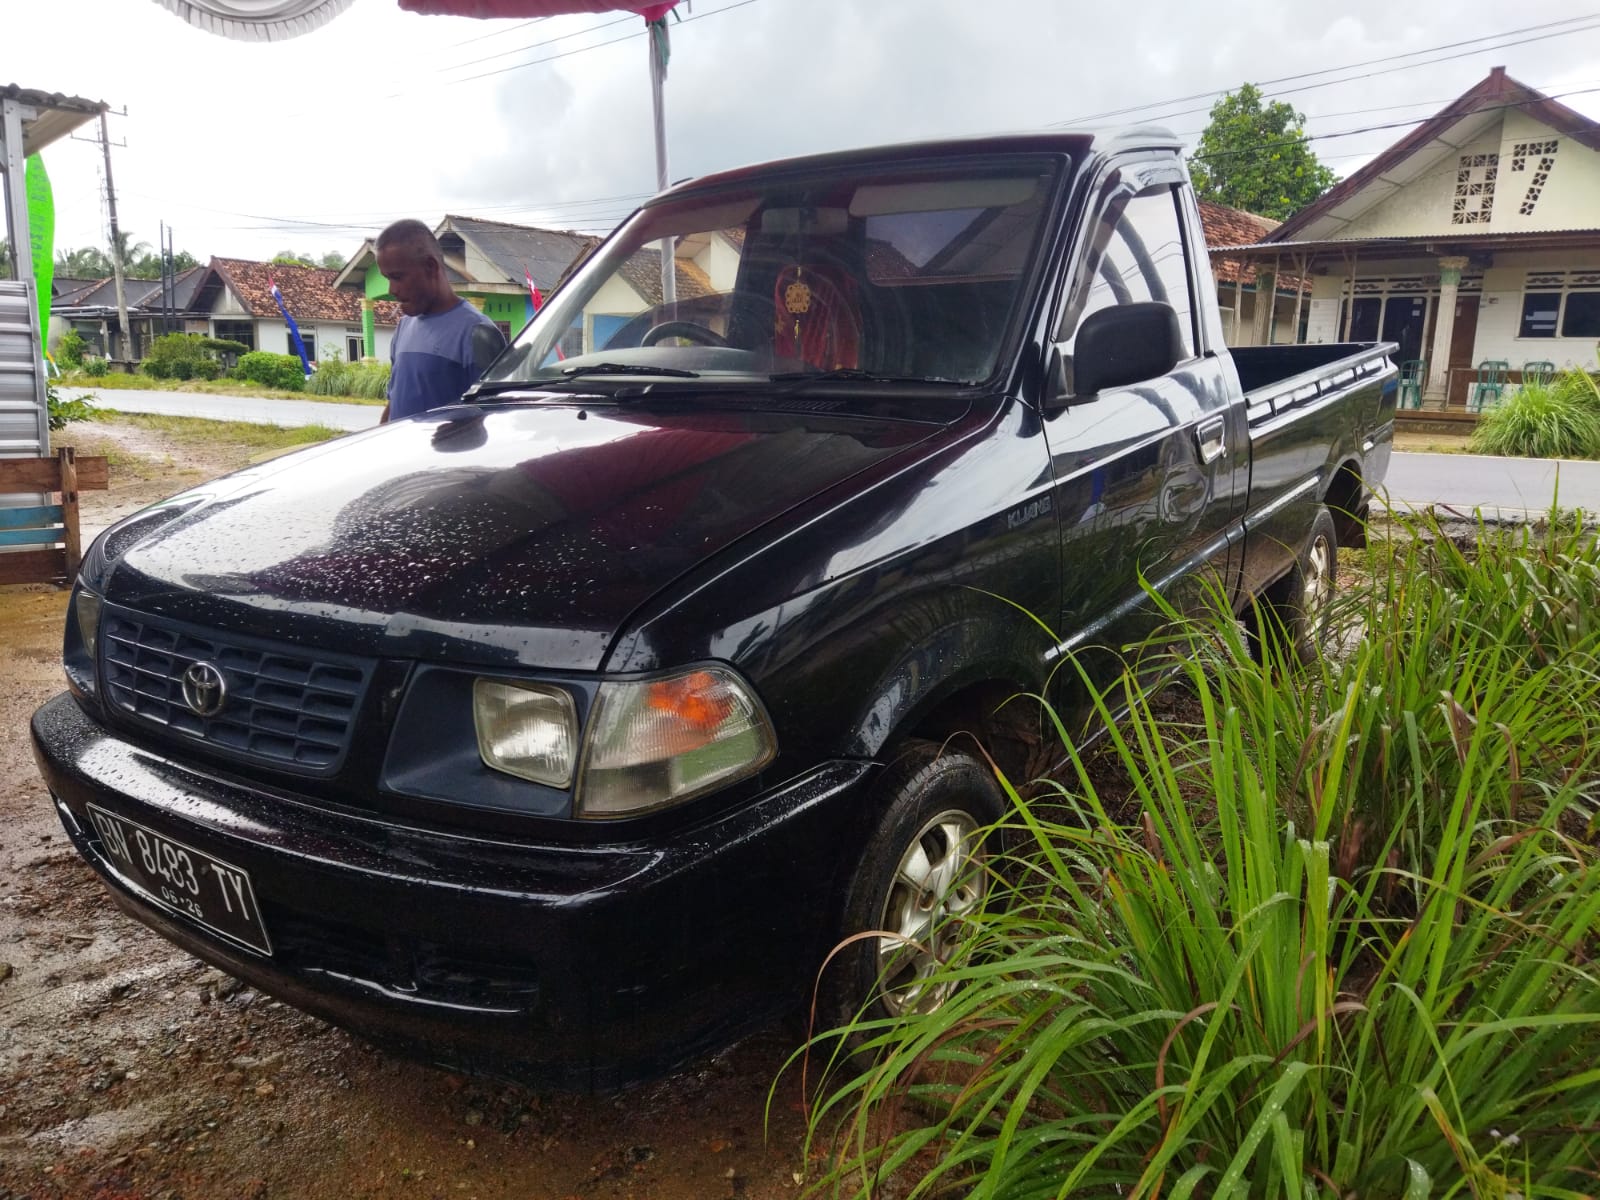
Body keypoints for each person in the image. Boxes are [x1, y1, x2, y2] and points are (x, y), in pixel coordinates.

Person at [375, 219, 507, 422]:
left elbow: (493, 420)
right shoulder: (404, 326)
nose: (392, 290)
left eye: (398, 277)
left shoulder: (477, 333)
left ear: (430, 267)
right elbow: (394, 403)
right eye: (388, 279)